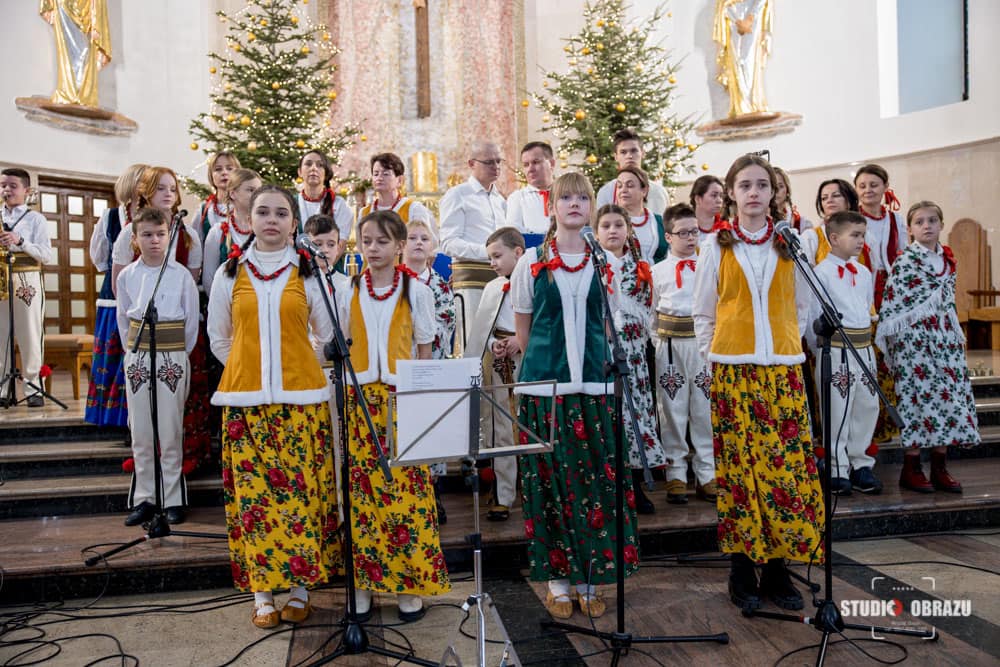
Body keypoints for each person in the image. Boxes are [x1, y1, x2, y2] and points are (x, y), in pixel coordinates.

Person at [692, 154, 823, 613]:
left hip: (783, 371)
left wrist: (786, 344)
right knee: (742, 475)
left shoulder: (792, 242)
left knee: (785, 471)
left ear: (774, 193)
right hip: (733, 371)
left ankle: (779, 568)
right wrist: (717, 358)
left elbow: (804, 305)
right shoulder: (716, 246)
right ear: (731, 193)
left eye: (762, 185)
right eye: (744, 185)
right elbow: (704, 311)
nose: (753, 193)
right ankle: (743, 567)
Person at [208, 185, 341, 629]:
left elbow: (326, 335)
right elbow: (220, 339)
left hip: (300, 402)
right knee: (255, 502)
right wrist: (253, 368)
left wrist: (293, 364)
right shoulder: (230, 273)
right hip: (246, 405)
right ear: (249, 218)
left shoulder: (308, 274)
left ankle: (300, 589)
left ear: (293, 222)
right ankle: (262, 594)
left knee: (300, 496)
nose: (271, 220)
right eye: (262, 211)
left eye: (280, 213)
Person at [511, 173, 639, 621]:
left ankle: (589, 576)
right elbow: (523, 328)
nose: (573, 204)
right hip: (546, 390)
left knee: (594, 485)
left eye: (581, 198)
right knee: (548, 484)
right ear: (552, 207)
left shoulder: (604, 261)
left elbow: (609, 323)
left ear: (591, 206)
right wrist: (546, 372)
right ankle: (557, 581)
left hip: (594, 388)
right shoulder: (530, 260)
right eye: (564, 197)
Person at [338, 209, 451, 622]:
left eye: (382, 241)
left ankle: (408, 584)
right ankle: (365, 585)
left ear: (400, 245)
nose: (373, 249)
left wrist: (420, 397)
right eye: (366, 241)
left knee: (406, 497)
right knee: (364, 498)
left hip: (401, 401)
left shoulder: (414, 289)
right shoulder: (347, 288)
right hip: (360, 400)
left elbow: (424, 346)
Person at [876, 202, 980, 494]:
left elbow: (947, 303)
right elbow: (895, 304)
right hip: (915, 345)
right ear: (910, 229)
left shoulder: (947, 260)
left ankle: (939, 466)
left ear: (941, 224)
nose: (927, 226)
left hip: (945, 341)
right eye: (919, 221)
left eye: (932, 220)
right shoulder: (905, 261)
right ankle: (911, 468)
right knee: (917, 401)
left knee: (946, 399)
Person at [116, 207, 199, 527]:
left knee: (170, 427)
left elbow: (191, 323)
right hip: (138, 355)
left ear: (170, 236)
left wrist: (176, 354)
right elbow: (124, 319)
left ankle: (174, 498)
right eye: (147, 235)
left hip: (171, 354)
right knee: (141, 429)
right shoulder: (127, 276)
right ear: (135, 239)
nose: (154, 240)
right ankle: (145, 497)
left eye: (161, 234)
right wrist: (132, 354)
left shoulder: (180, 276)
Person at [595, 203, 665, 514]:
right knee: (614, 414)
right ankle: (613, 485)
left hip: (636, 352)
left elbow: (650, 306)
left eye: (618, 225)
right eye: (606, 226)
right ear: (596, 233)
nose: (613, 231)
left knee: (638, 413)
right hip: (606, 352)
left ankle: (636, 482)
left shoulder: (640, 265)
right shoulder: (593, 264)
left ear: (628, 230)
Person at [806, 211, 881, 495]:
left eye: (863, 234)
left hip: (864, 347)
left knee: (866, 406)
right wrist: (821, 350)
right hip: (836, 349)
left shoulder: (862, 272)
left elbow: (865, 307)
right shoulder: (820, 273)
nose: (862, 240)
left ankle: (861, 463)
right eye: (855, 235)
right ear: (834, 238)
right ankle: (836, 466)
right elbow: (813, 318)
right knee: (838, 408)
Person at [652, 203, 715, 505]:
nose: (691, 238)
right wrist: (660, 343)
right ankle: (675, 472)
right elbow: (650, 313)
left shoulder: (708, 265)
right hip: (671, 346)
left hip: (702, 346)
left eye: (695, 232)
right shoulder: (656, 272)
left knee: (704, 410)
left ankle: (707, 473)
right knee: (672, 410)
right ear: (668, 236)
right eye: (684, 233)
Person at [464, 226, 526, 522]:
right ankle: (503, 493)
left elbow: (544, 321)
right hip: (500, 360)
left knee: (532, 423)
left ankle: (536, 488)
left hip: (529, 357)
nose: (492, 263)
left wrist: (519, 341)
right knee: (502, 425)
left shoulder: (539, 281)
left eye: (497, 256)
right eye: (489, 257)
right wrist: (494, 344)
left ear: (518, 252)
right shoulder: (493, 287)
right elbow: (482, 327)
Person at [86, 163, 147, 426]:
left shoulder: (154, 215)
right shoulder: (111, 217)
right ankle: (112, 417)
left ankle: (137, 419)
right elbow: (99, 257)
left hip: (146, 294)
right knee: (114, 355)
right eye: (143, 181)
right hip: (114, 297)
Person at [439, 140, 507, 354]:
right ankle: (473, 388)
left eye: (498, 161)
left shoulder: (500, 199)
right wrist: (487, 253)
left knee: (498, 340)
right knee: (473, 343)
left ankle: (497, 388)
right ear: (471, 163)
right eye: (488, 162)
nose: (495, 167)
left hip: (499, 279)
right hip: (471, 280)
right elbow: (448, 242)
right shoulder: (458, 195)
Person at [0, 168, 53, 407]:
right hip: (1, 277)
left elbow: (46, 255)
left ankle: (33, 388)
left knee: (30, 334)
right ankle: (2, 388)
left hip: (26, 281)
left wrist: (20, 241)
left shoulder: (35, 219)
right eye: (2, 185)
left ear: (26, 190)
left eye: (12, 185)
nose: (6, 190)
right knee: (0, 336)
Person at [855, 164, 906, 311]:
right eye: (862, 186)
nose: (867, 190)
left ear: (885, 186)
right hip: (861, 283)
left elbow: (903, 254)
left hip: (892, 285)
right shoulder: (851, 220)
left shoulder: (896, 219)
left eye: (874, 185)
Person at [203, 168, 261, 296]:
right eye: (251, 190)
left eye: (259, 191)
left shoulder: (265, 230)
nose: (257, 195)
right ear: (233, 193)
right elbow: (209, 280)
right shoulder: (218, 232)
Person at [713, 0, 773, 118]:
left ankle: (752, 102)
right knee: (737, 59)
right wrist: (737, 21)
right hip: (734, 18)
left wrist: (750, 19)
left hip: (752, 16)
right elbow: (724, 4)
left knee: (748, 60)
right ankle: (740, 104)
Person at [596, 129, 669, 217]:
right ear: (616, 157)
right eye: (623, 152)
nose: (629, 156)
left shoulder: (659, 192)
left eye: (634, 151)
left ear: (643, 153)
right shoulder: (606, 192)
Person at [358, 153, 436, 228]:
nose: (379, 178)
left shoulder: (413, 209)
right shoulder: (365, 213)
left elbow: (427, 239)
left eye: (385, 174)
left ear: (399, 180)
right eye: (376, 174)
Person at [612, 167, 668, 263]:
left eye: (630, 185)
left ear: (644, 190)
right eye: (619, 186)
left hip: (658, 276)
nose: (623, 190)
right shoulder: (610, 222)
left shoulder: (659, 221)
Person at [296, 150, 353, 241]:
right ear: (299, 172)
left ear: (326, 173)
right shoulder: (290, 203)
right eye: (308, 164)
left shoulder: (339, 204)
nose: (313, 168)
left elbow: (340, 243)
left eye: (320, 165)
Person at [505, 142, 556, 234]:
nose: (530, 169)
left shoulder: (567, 194)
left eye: (535, 162)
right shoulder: (517, 198)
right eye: (526, 165)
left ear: (551, 163)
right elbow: (514, 234)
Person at [194, 151, 240, 242]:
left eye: (229, 168)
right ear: (211, 175)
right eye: (218, 169)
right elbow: (195, 243)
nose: (224, 172)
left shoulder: (246, 206)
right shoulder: (204, 209)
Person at [773, 167, 812, 232]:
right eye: (772, 186)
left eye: (780, 186)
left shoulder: (802, 223)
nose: (776, 191)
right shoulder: (756, 221)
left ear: (787, 190)